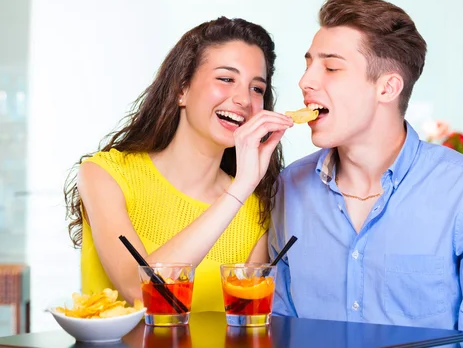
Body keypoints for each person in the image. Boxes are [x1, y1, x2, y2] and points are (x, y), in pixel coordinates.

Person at [268, 0, 463, 346]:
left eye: (330, 68)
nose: (305, 81)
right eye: (308, 64)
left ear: (388, 87)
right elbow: (276, 327)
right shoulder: (288, 188)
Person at [64, 17, 294, 312]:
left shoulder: (255, 211)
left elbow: (245, 325)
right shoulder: (105, 174)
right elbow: (140, 290)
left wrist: (244, 189)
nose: (244, 100)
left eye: (257, 89)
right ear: (181, 89)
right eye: (226, 79)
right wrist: (239, 189)